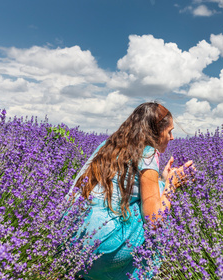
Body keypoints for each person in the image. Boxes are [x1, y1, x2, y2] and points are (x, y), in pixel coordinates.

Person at [66, 102, 193, 280]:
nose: (171, 138)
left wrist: (162, 180)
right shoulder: (148, 152)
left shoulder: (108, 145)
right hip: (104, 250)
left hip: (68, 245)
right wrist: (172, 184)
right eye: (169, 131)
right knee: (161, 212)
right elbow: (154, 220)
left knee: (147, 196)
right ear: (156, 132)